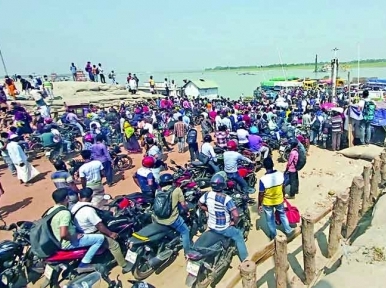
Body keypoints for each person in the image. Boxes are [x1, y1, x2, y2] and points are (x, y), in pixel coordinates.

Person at [71, 188, 132, 274]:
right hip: (93, 232)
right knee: (114, 245)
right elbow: (99, 225)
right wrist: (111, 234)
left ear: (79, 196)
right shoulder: (88, 210)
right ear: (91, 197)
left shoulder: (75, 207)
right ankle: (125, 265)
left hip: (81, 231)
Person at [47, 188, 105, 273]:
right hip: (67, 243)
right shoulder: (64, 213)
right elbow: (63, 234)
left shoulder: (51, 210)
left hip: (56, 241)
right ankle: (84, 264)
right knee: (100, 238)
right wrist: (74, 237)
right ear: (67, 198)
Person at [198, 173, 248, 262]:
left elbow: (200, 204)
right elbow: (236, 215)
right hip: (223, 228)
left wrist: (209, 210)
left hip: (211, 226)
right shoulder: (226, 198)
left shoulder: (207, 195)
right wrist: (234, 222)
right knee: (238, 235)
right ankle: (245, 260)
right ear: (222, 185)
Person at [153, 174, 191, 255]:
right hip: (172, 219)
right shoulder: (177, 190)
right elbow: (183, 205)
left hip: (158, 219)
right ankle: (188, 252)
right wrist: (188, 211)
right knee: (185, 231)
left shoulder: (158, 191)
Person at [258, 157, 293, 240]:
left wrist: (259, 204)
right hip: (279, 200)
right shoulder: (280, 174)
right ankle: (288, 230)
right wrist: (283, 196)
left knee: (270, 220)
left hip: (267, 203)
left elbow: (261, 194)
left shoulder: (263, 179)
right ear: (273, 165)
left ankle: (274, 236)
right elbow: (283, 187)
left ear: (264, 167)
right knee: (282, 215)